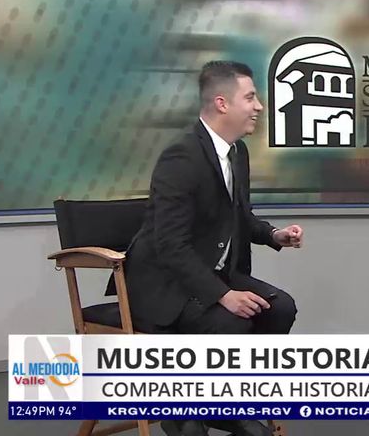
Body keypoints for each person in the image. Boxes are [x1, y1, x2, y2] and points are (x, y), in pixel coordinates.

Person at [124, 61, 304, 436]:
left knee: (280, 308)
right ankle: (197, 410)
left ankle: (227, 402)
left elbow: (239, 216)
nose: (259, 106)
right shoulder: (181, 158)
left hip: (212, 273)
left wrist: (274, 235)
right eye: (250, 97)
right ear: (222, 103)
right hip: (166, 285)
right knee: (231, 321)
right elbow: (170, 245)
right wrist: (223, 295)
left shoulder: (237, 153)